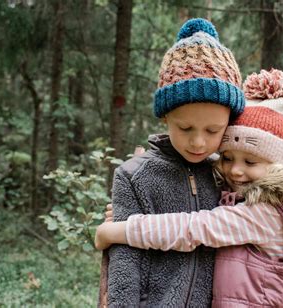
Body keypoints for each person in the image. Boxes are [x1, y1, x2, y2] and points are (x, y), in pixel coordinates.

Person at [96, 69, 283, 307]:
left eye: (250, 162)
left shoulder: (266, 213)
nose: (235, 170)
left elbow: (194, 228)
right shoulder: (255, 200)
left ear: (280, 165)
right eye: (227, 158)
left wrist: (120, 230)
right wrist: (127, 211)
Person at [105, 18, 245, 307]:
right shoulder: (134, 176)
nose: (198, 143)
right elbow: (124, 266)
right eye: (185, 128)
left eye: (212, 130)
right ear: (165, 116)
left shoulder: (231, 175)